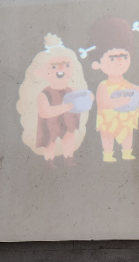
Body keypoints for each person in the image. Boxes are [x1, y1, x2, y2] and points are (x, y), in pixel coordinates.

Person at [86, 17, 139, 162]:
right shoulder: (103, 85)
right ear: (97, 64)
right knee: (107, 135)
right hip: (108, 121)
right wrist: (123, 100)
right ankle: (108, 154)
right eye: (112, 58)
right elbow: (103, 103)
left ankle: (127, 152)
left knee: (128, 134)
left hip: (126, 121)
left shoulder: (127, 84)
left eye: (123, 56)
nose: (119, 61)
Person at [17, 34, 91, 166]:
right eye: (54, 66)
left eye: (66, 65)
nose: (61, 69)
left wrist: (88, 98)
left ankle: (69, 159)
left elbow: (84, 98)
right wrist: (67, 107)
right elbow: (45, 112)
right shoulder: (44, 94)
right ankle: (49, 162)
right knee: (49, 141)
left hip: (68, 122)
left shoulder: (72, 89)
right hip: (50, 124)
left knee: (69, 138)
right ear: (41, 73)